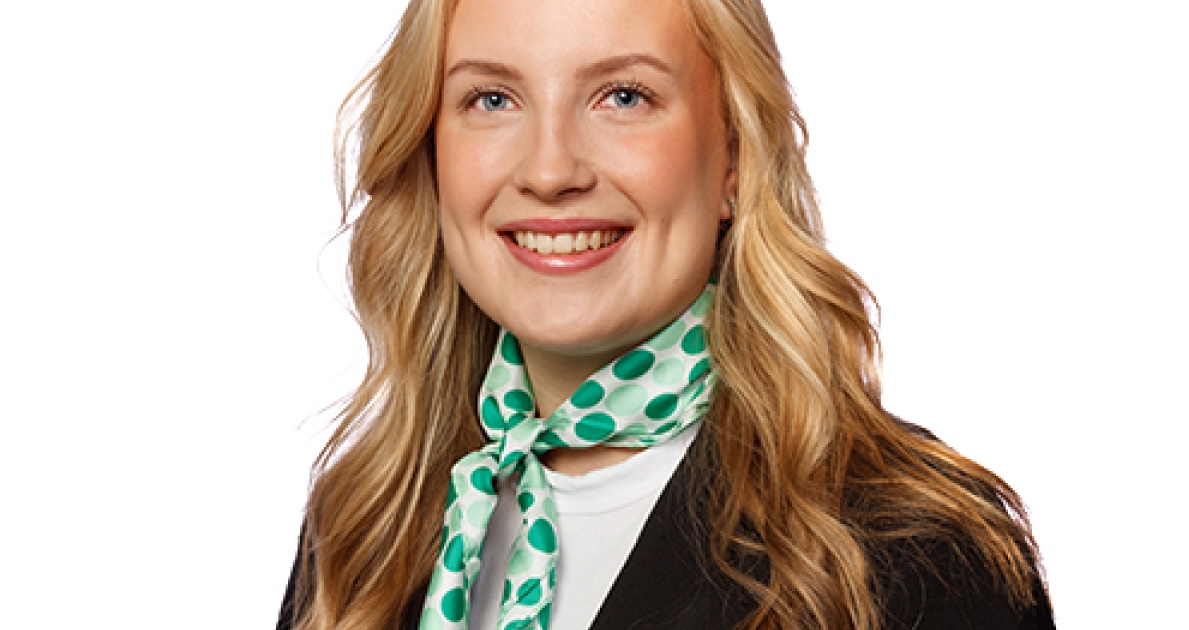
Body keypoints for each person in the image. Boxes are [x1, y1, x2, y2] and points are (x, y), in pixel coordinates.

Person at [278, 0, 1055, 628]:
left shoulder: (914, 552)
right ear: (429, 151)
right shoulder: (365, 528)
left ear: (734, 157)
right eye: (492, 98)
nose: (549, 170)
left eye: (624, 96)